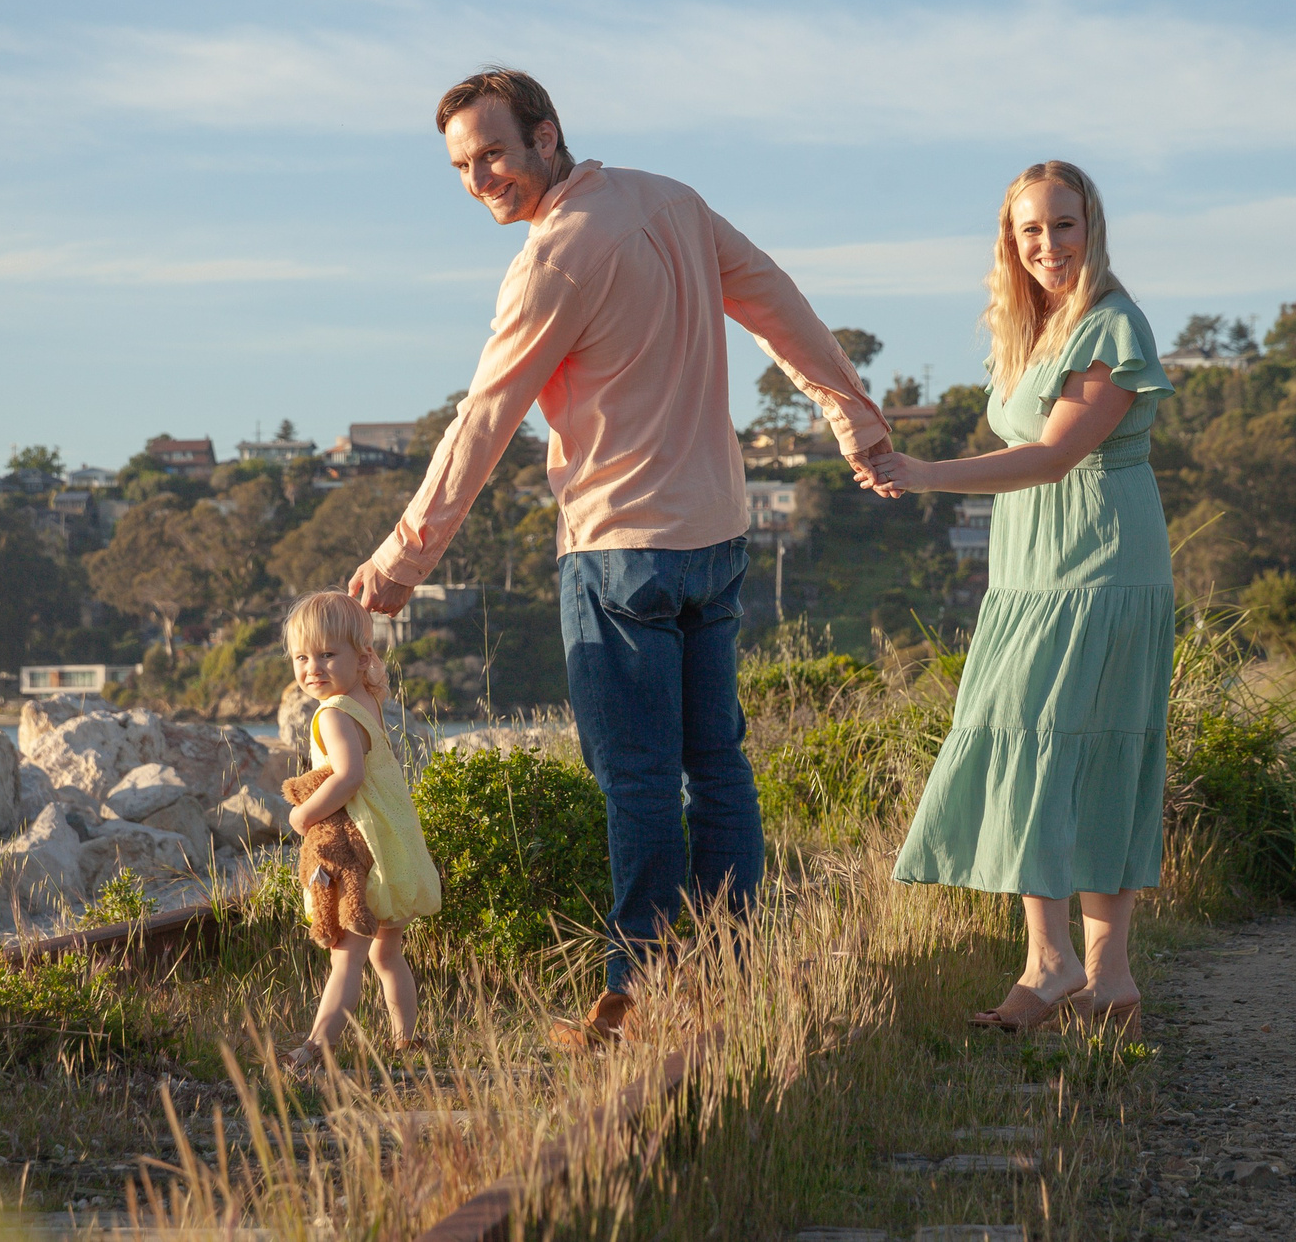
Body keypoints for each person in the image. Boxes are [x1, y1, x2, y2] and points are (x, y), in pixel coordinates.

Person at [347, 68, 887, 1049]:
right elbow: (775, 299)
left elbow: (484, 419)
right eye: (462, 167)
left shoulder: (554, 258)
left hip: (619, 554)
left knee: (636, 779)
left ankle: (636, 999)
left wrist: (405, 553)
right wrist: (847, 407)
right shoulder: (669, 202)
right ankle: (730, 974)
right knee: (714, 765)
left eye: (495, 154)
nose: (481, 179)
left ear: (546, 135)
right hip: (717, 541)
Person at [862, 160, 1173, 1036]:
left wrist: (923, 474)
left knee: (1084, 750)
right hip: (1029, 566)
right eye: (1029, 230)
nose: (1048, 245)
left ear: (1092, 226)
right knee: (1031, 743)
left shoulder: (1113, 323)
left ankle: (1083, 967)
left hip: (1100, 561)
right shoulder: (1027, 328)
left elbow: (1052, 455)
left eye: (1063, 226)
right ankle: (1079, 972)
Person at [282, 590, 442, 1070]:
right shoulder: (365, 699)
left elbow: (348, 777)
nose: (314, 668)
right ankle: (407, 1041)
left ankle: (314, 1050)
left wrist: (304, 815)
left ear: (362, 655)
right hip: (394, 847)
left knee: (345, 958)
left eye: (329, 654)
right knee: (386, 956)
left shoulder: (331, 714)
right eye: (302, 657)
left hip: (362, 854)